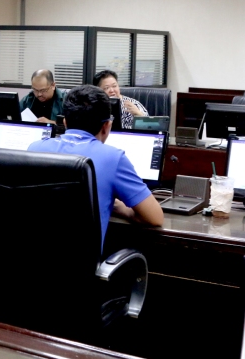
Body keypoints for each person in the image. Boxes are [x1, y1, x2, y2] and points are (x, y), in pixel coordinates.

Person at [28, 85, 163, 252]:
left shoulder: (35, 148)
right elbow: (155, 217)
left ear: (65, 122)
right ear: (107, 126)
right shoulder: (113, 158)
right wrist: (120, 208)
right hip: (81, 265)